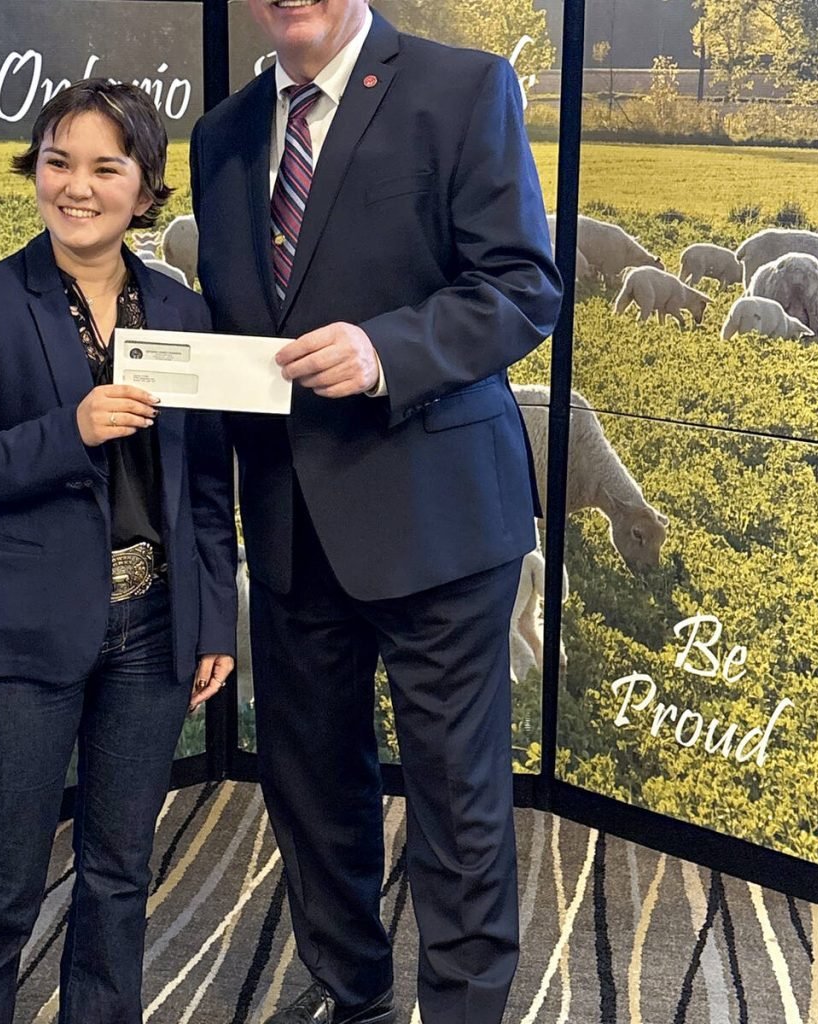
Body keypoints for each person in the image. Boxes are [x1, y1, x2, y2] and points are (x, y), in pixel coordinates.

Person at [190, 2, 562, 1021]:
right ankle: (352, 1000)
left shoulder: (462, 87)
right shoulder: (220, 135)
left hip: (438, 525)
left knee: (456, 807)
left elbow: (521, 287)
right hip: (288, 530)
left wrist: (384, 351)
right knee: (313, 802)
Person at [0, 80, 237, 1024]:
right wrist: (73, 428)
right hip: (19, 635)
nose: (77, 186)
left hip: (150, 629)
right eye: (58, 162)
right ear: (36, 173)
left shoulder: (183, 313)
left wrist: (214, 617)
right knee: (4, 874)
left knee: (119, 870)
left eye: (107, 166)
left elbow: (205, 491)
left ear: (145, 189)